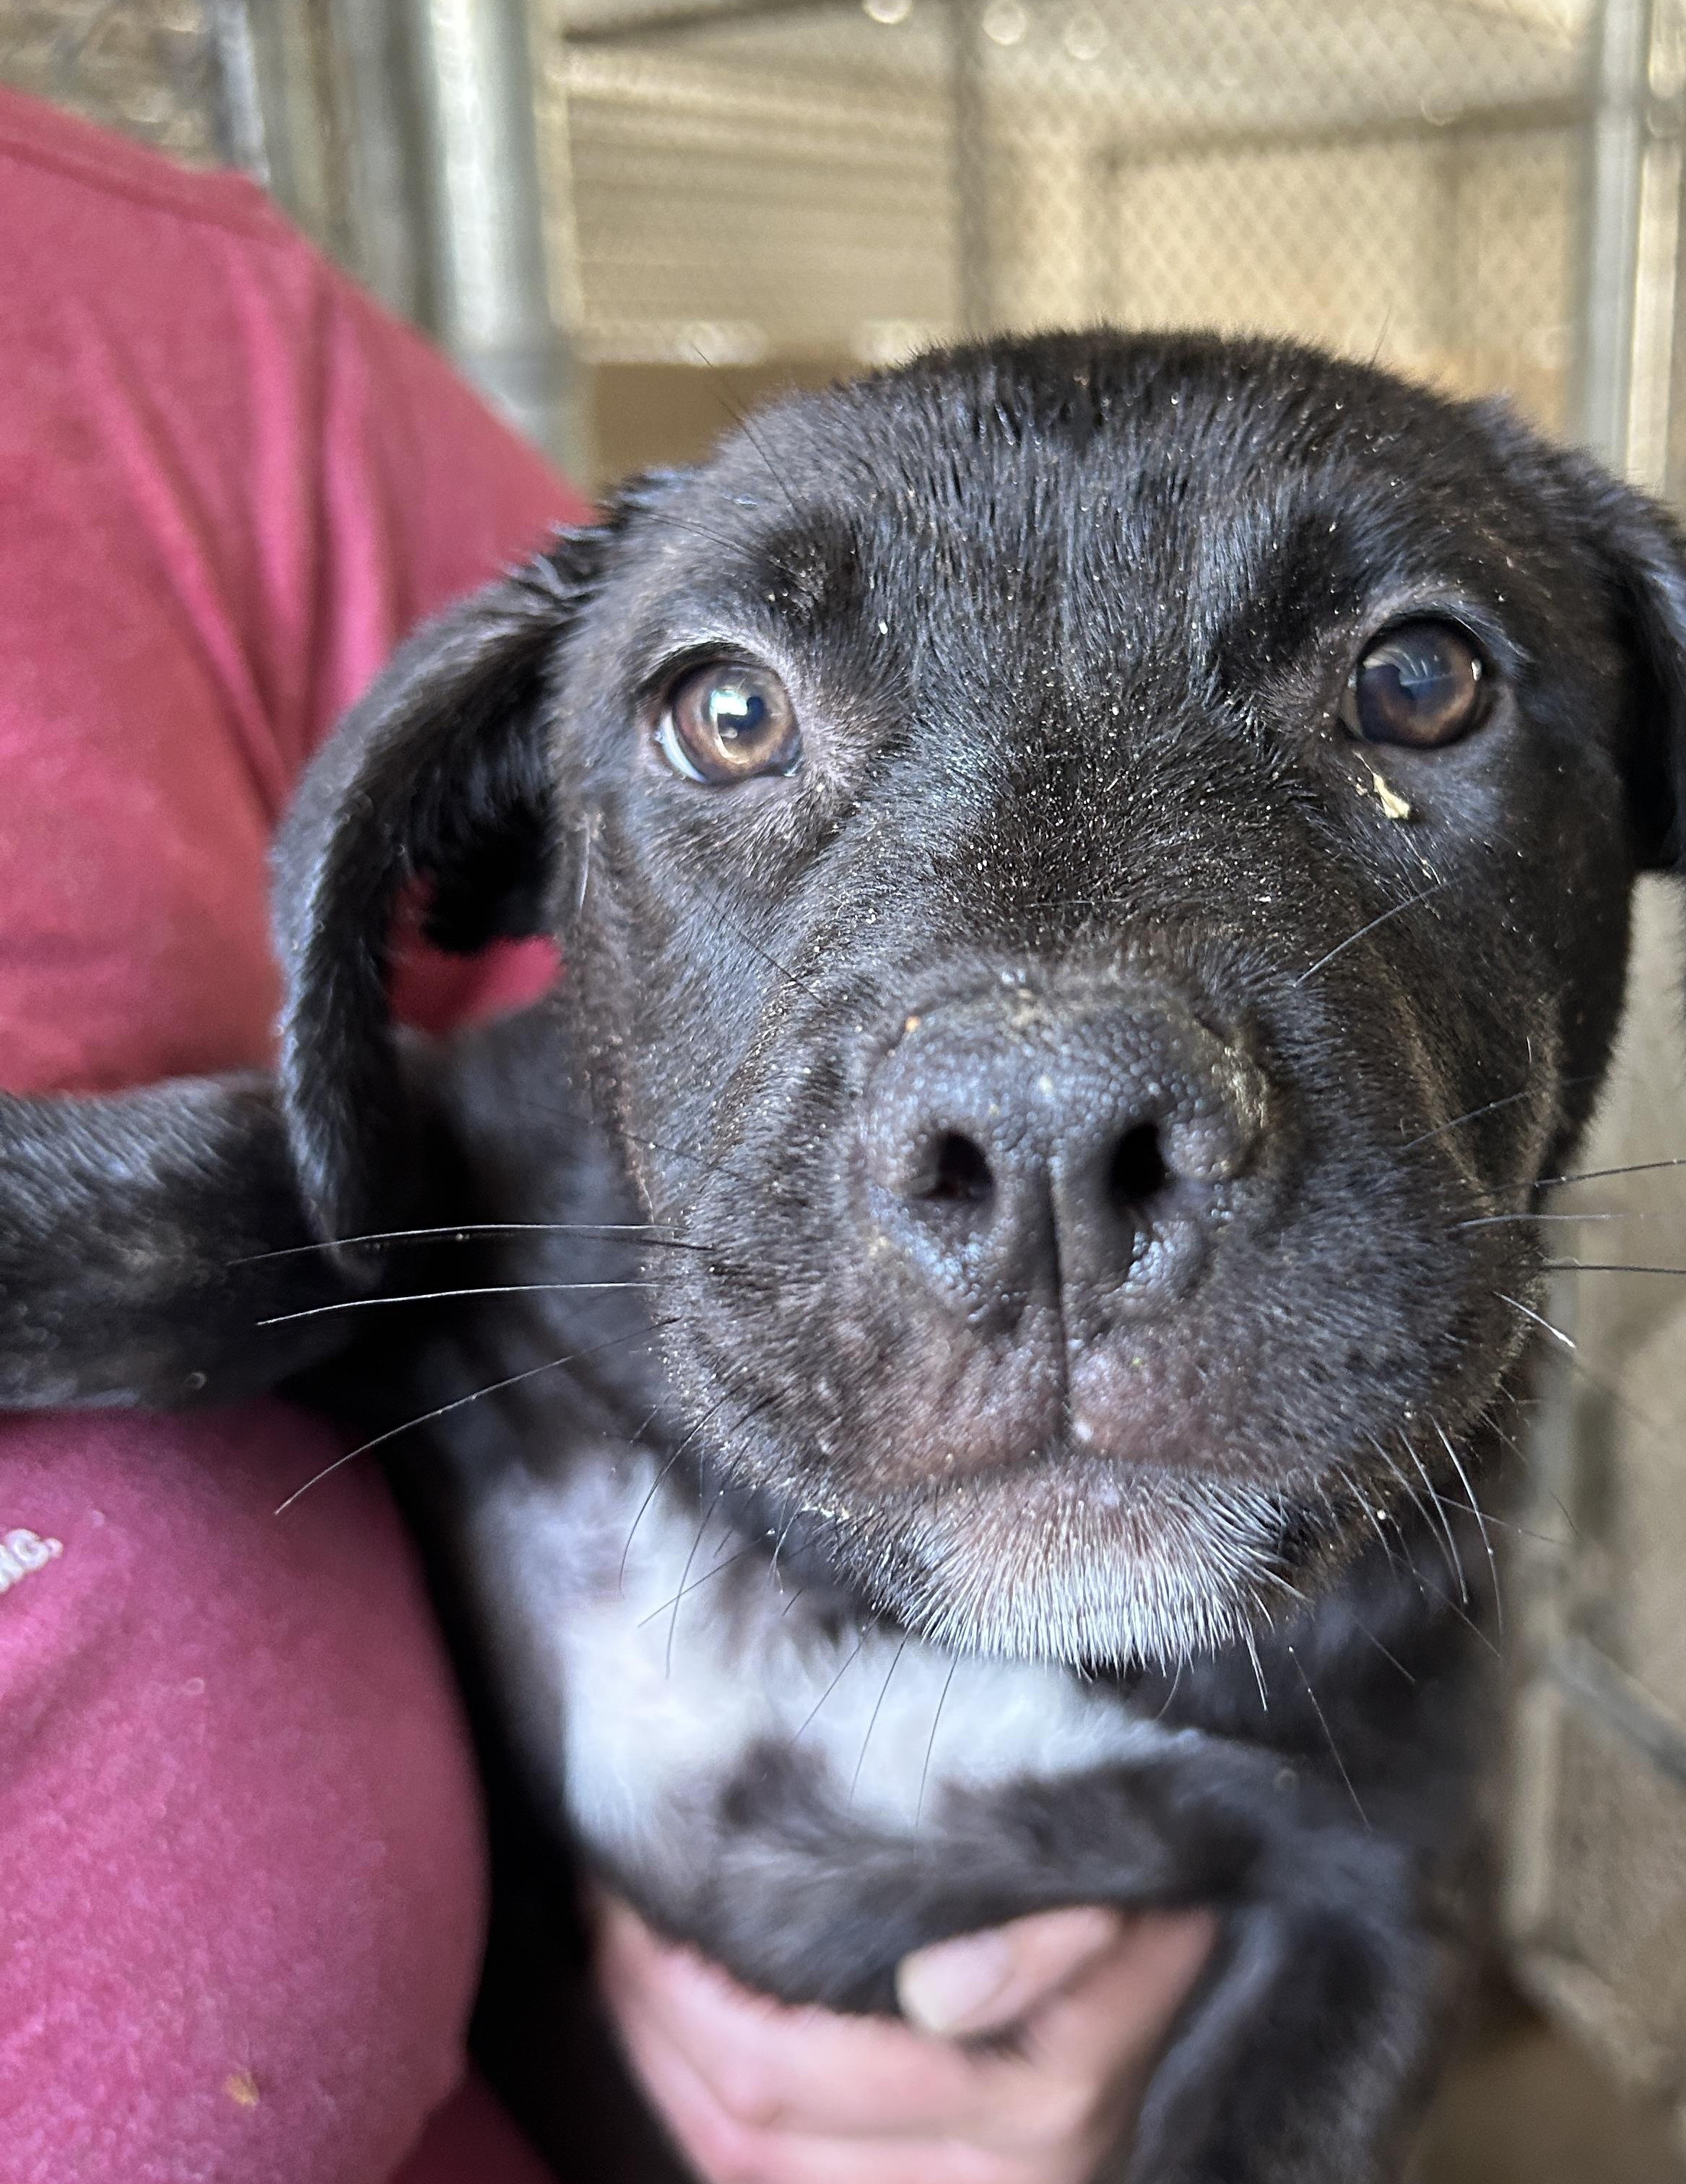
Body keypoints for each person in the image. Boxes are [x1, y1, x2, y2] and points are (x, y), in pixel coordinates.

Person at [0, 85, 1212, 2184]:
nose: (1030, 1114)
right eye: (740, 720)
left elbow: (574, 1002)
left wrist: (1180, 1982)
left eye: (1414, 696)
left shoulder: (150, 326)